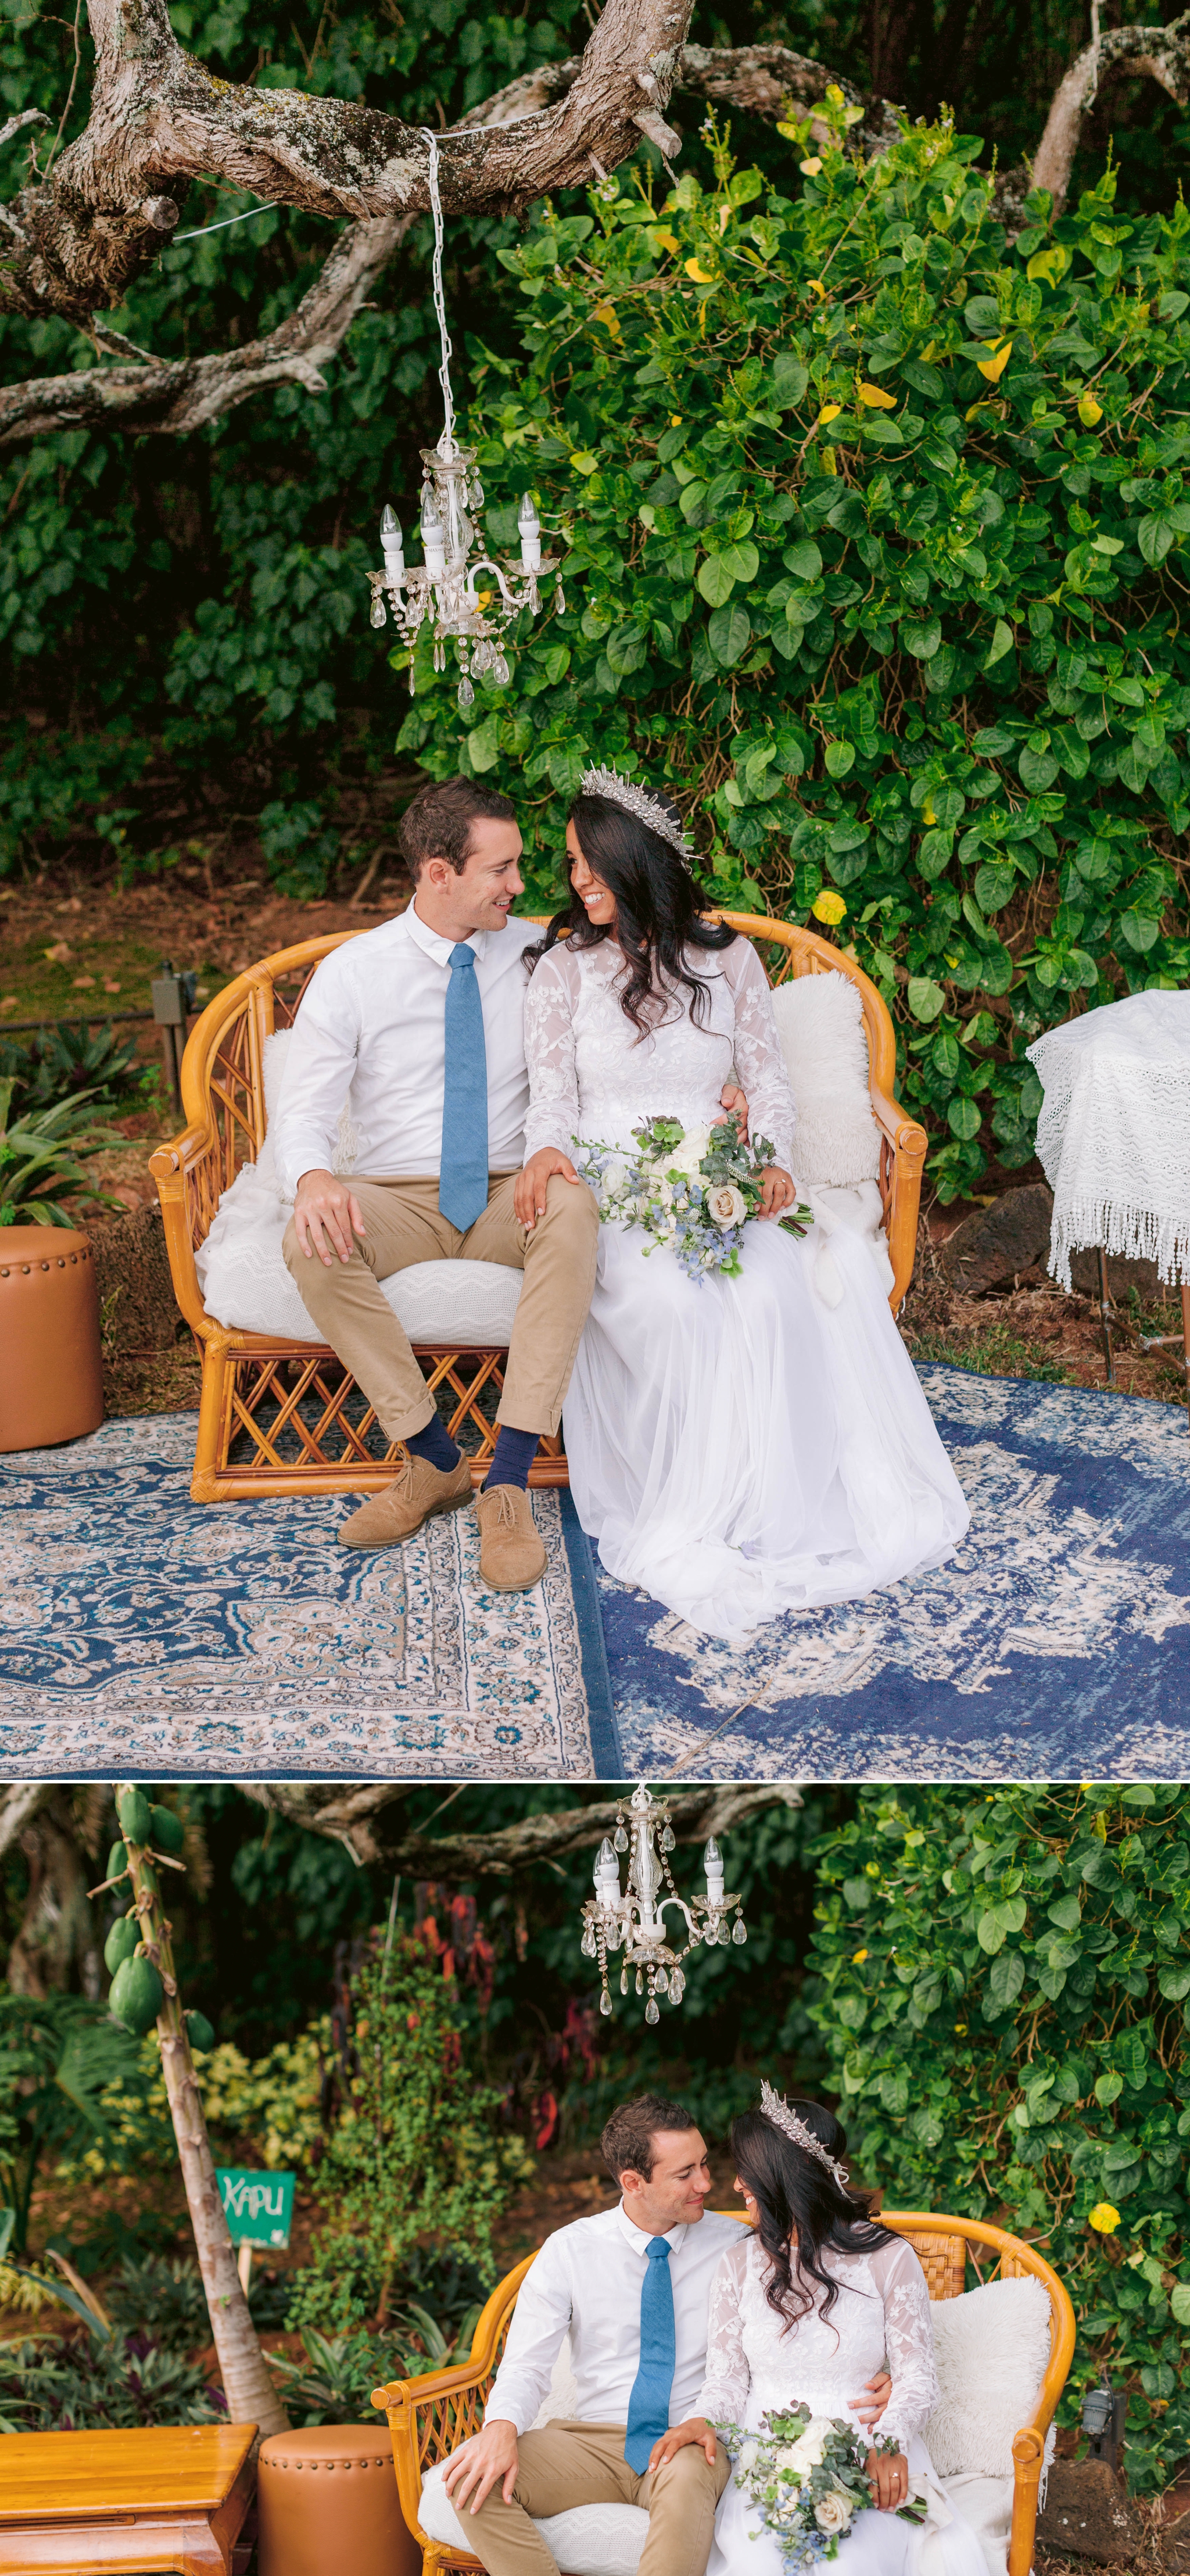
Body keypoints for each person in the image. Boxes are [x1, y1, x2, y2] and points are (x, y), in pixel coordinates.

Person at [519, 766, 970, 1638]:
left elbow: (767, 1084)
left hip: (715, 1170)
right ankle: (696, 1502)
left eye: (590, 864)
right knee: (668, 1306)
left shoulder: (728, 960)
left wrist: (766, 1160)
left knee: (774, 1290)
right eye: (570, 864)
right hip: (613, 1181)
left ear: (636, 860)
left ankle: (780, 1502)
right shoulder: (563, 968)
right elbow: (553, 1097)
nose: (576, 881)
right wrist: (548, 1149)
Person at [270, 773, 748, 1593]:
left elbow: (654, 1005)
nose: (523, 886)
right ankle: (431, 1460)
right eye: (503, 869)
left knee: (571, 1208)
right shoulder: (354, 973)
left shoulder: (545, 953)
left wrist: (723, 1089)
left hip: (507, 1187)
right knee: (308, 1244)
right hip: (395, 1191)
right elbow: (305, 1107)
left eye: (524, 866)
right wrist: (314, 1178)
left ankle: (509, 1481)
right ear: (438, 873)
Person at [438, 2093, 891, 2576]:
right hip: (592, 2441)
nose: (706, 2182)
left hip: (690, 2442)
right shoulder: (569, 2251)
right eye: (685, 2174)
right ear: (633, 2182)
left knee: (687, 2481)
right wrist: (500, 2428)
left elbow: (817, 2317)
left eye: (703, 2163)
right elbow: (527, 2363)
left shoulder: (739, 2247)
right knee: (472, 2479)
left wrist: (883, 2374)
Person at [654, 2089, 987, 2576]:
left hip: (867, 2450)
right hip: (766, 2458)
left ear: (783, 2177)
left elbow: (919, 2376)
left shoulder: (889, 2259)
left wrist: (889, 2443)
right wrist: (702, 2418)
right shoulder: (736, 2265)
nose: (737, 2182)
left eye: (748, 2170)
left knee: (851, 2564)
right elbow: (726, 2382)